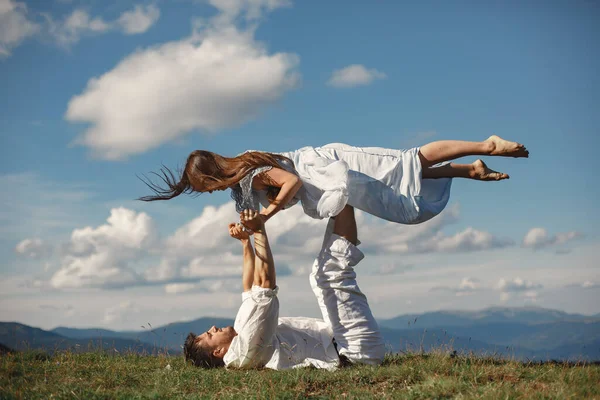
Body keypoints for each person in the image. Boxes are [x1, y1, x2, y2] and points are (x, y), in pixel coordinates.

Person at [140, 135, 528, 225]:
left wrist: (267, 215)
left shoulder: (252, 172)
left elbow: (289, 184)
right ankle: (468, 170)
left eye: (206, 186)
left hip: (329, 164)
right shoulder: (241, 188)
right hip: (326, 180)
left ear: (213, 175)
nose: (209, 192)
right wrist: (248, 227)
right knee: (397, 185)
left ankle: (486, 144)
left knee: (407, 161)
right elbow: (250, 223)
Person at [183, 206, 385, 369]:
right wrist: (259, 230)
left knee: (320, 276)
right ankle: (342, 195)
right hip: (354, 352)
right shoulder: (244, 348)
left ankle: (340, 199)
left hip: (344, 342)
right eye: (210, 335)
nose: (212, 328)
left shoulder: (242, 335)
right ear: (218, 352)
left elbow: (250, 287)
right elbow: (264, 285)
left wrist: (246, 243)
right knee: (330, 273)